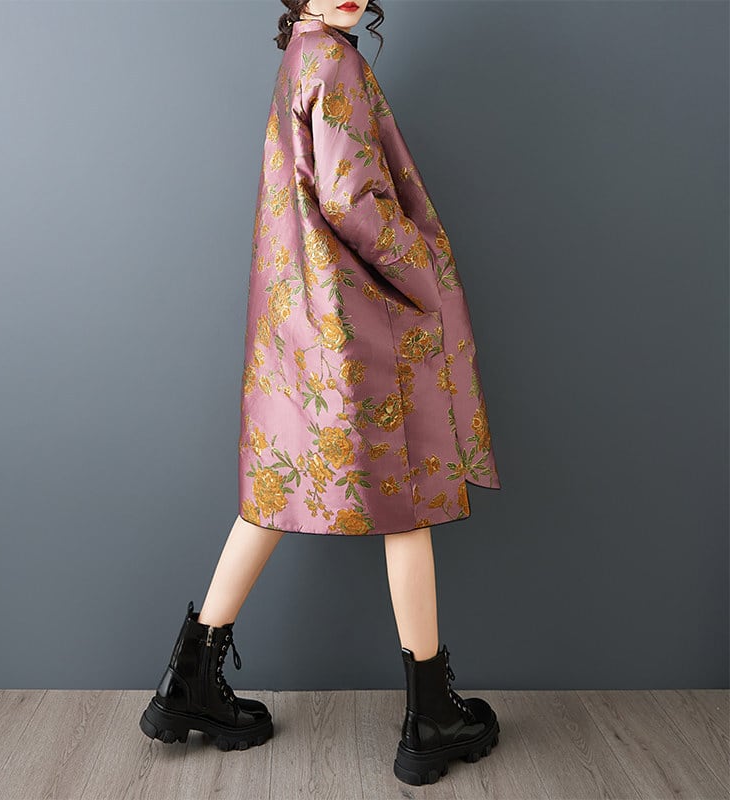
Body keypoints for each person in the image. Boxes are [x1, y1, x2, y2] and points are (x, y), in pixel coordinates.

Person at [140, 0, 501, 786]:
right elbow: (348, 197)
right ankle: (431, 717)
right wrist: (427, 268)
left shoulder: (300, 56)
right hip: (354, 317)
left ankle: (187, 681)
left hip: (297, 320)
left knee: (273, 491)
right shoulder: (335, 60)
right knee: (407, 498)